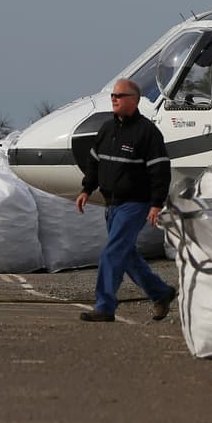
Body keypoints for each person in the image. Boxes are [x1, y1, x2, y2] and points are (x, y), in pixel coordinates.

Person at [75, 79, 177, 322]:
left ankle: (104, 306)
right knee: (126, 255)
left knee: (112, 253)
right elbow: (94, 162)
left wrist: (156, 203)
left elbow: (160, 171)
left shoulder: (147, 133)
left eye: (119, 96)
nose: (114, 99)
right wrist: (86, 189)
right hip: (112, 204)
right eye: (113, 95)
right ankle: (161, 292)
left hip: (135, 204)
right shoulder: (107, 129)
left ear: (134, 100)